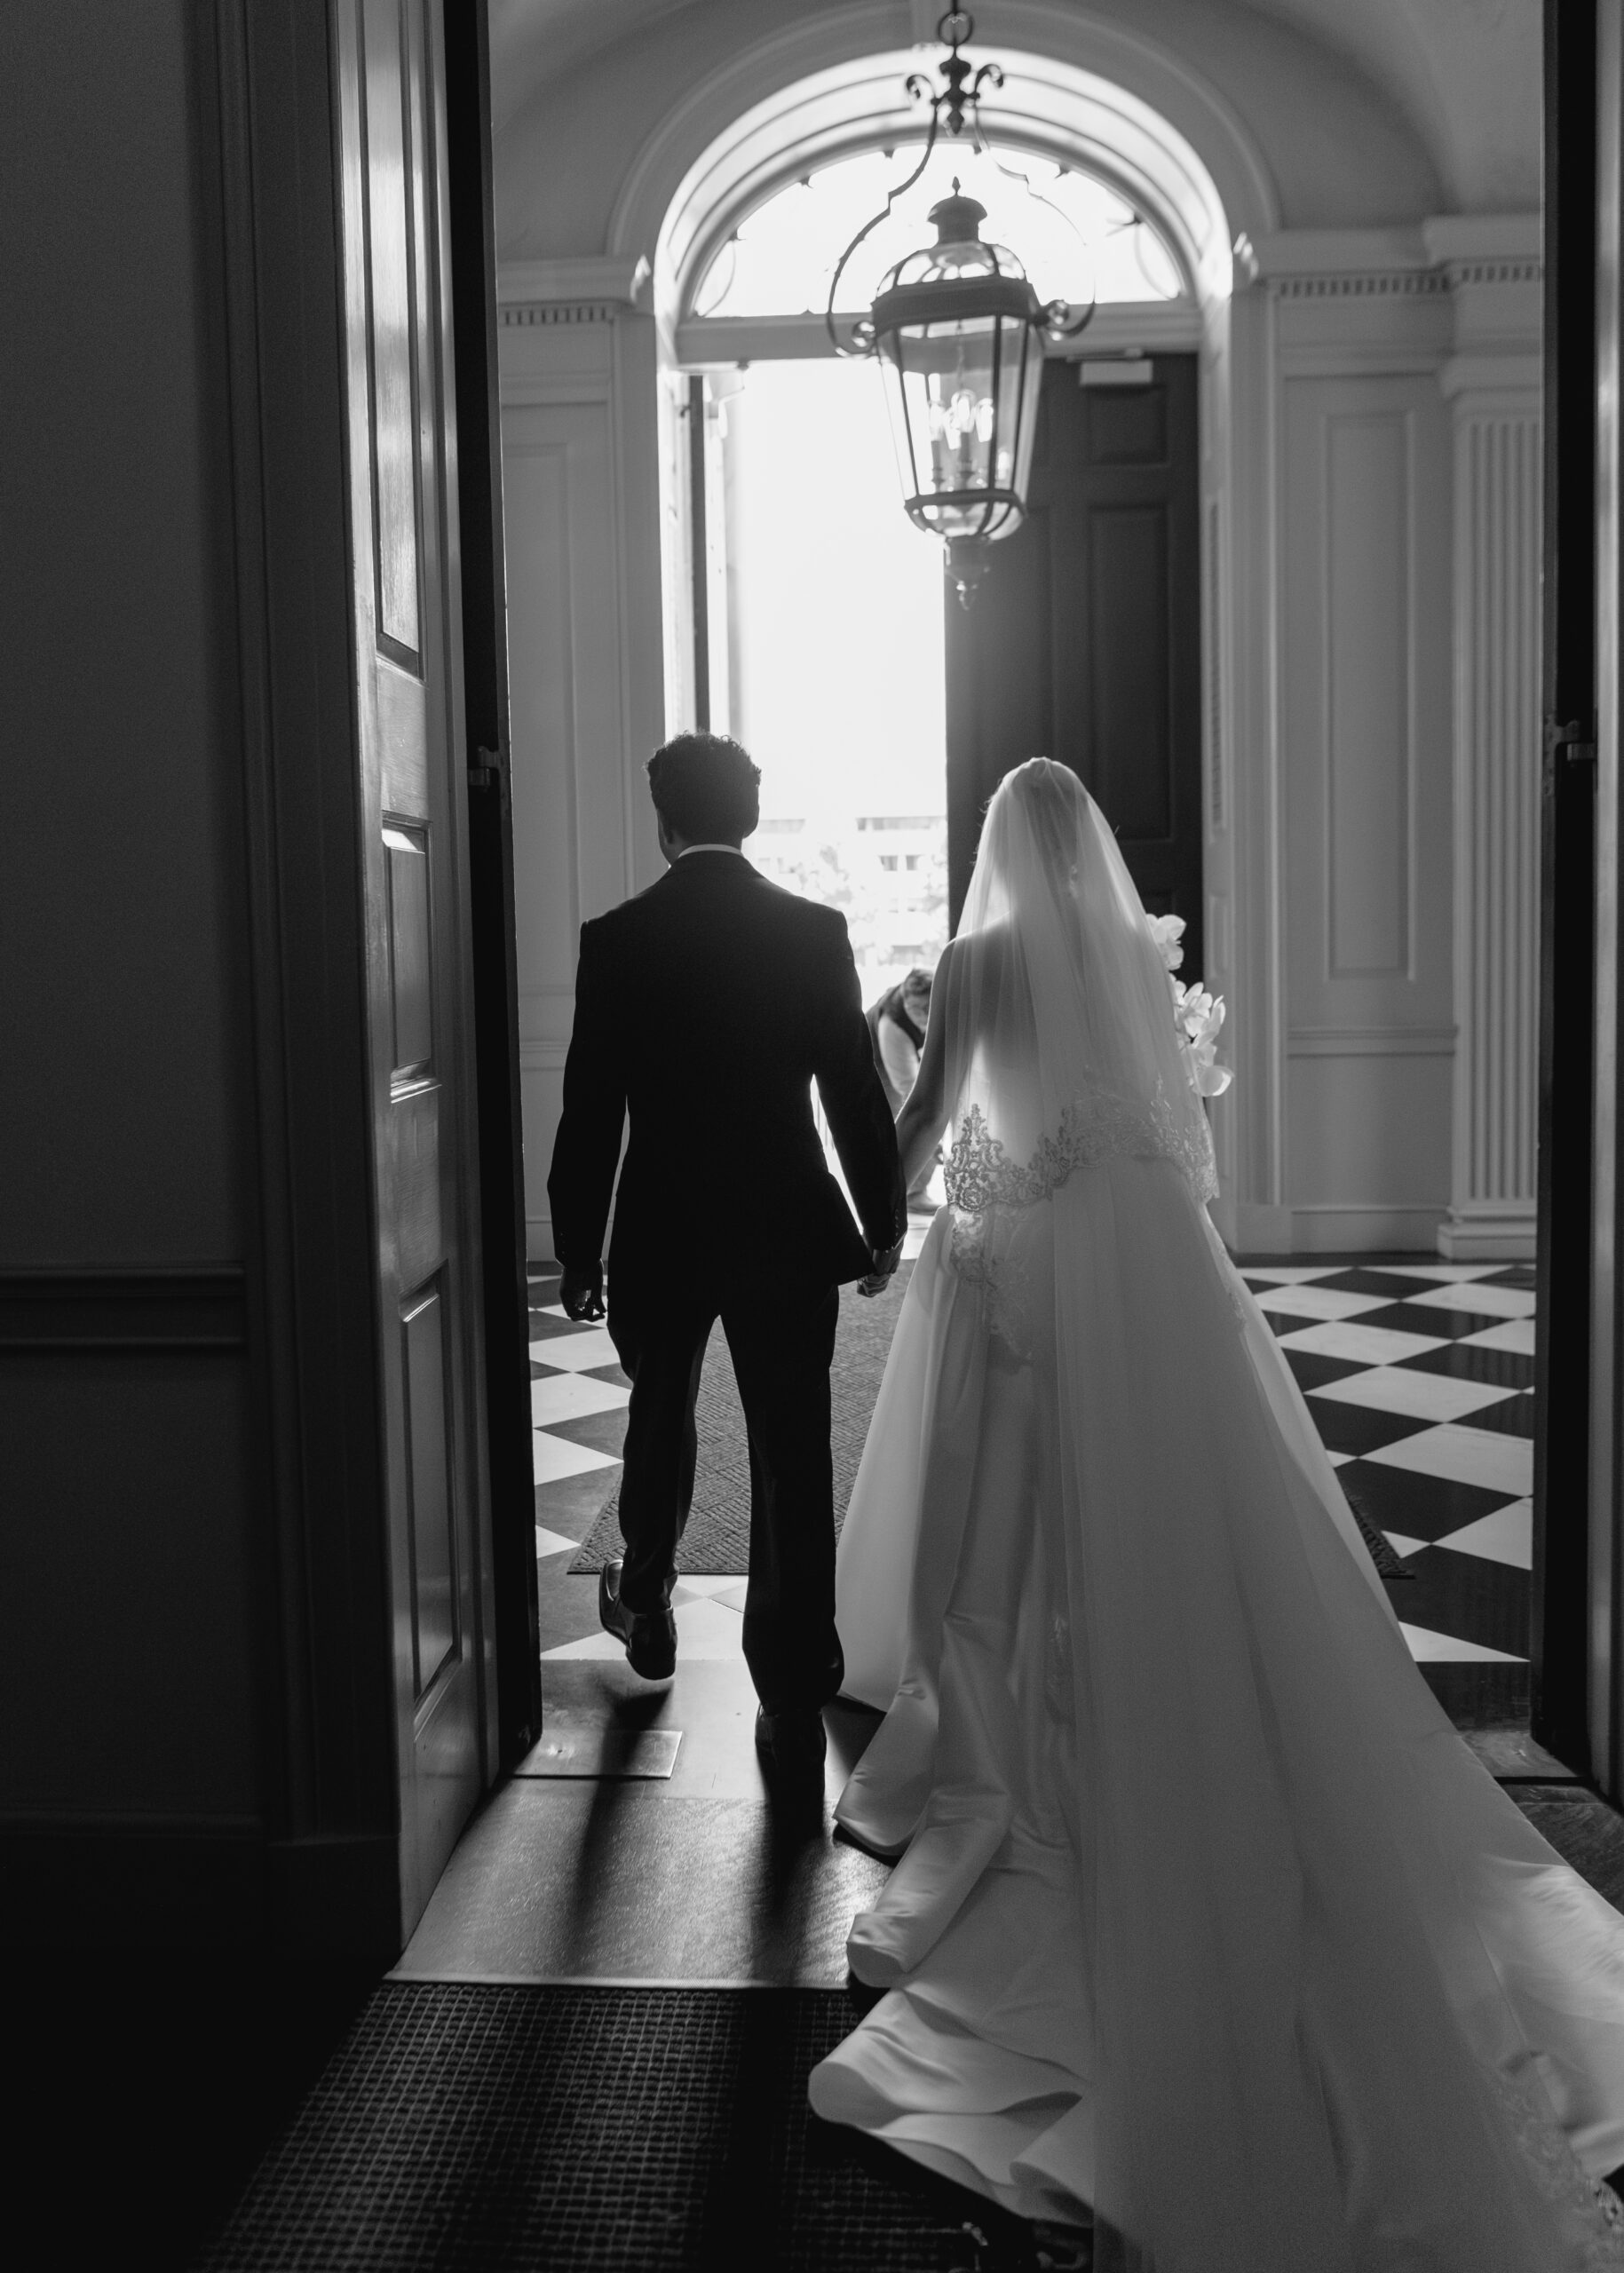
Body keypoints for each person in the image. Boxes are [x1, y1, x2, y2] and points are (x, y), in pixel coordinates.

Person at [808, 758, 1624, 2269]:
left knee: (1001, 1544)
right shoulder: (1133, 954)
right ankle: (1191, 1679)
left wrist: (876, 1230)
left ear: (996, 851)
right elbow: (1184, 1140)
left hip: (1025, 1273)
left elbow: (927, 1121)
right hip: (1153, 1262)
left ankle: (1029, 1755)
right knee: (1200, 1498)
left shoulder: (976, 966)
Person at [547, 731, 906, 1786]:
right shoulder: (814, 931)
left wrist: (578, 1247)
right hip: (786, 1226)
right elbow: (851, 1090)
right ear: (750, 816)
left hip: (660, 1229)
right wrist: (882, 1218)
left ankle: (645, 1600)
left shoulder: (617, 939)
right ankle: (792, 1690)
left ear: (663, 823)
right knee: (792, 1451)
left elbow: (588, 1113)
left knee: (656, 1416)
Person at [866, 967, 939, 1205]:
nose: (925, 1015)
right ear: (906, 1002)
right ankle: (905, 1195)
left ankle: (911, 1190)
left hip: (908, 1059)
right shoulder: (893, 1025)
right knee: (904, 1119)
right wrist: (931, 1133)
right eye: (919, 1009)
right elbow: (909, 1089)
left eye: (930, 1007)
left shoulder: (938, 1005)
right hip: (876, 1063)